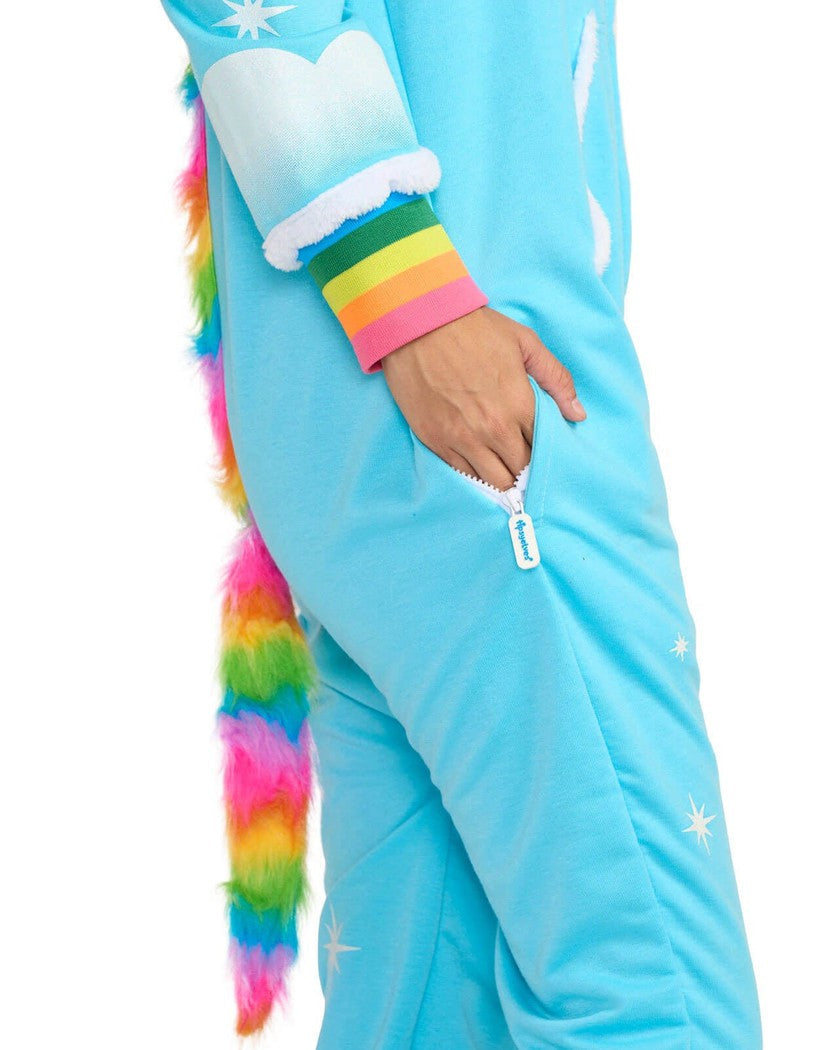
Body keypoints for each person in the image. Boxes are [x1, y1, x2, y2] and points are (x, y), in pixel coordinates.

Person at [160, 1, 763, 1047]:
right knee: (656, 997)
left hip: (405, 402)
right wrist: (409, 297)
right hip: (470, 400)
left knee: (430, 1001)